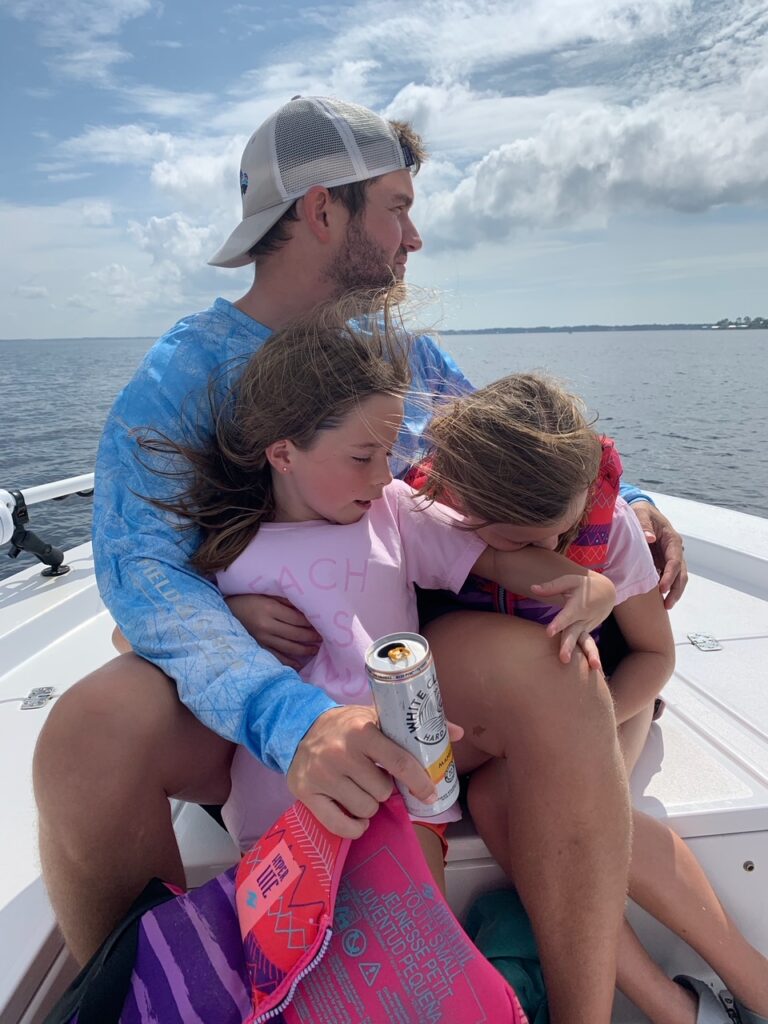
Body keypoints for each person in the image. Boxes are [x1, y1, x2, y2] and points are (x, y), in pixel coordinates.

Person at [31, 95, 681, 1024]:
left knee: (558, 666)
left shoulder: (399, 354)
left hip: (407, 656)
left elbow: (513, 448)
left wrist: (636, 502)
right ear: (319, 211)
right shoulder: (182, 375)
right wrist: (286, 718)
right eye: (396, 206)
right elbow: (142, 575)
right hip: (257, 705)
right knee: (83, 737)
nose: (413, 238)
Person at [136, 297, 615, 885]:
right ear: (283, 453)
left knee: (419, 943)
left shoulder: (393, 513)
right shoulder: (228, 544)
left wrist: (593, 585)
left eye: (388, 452)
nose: (385, 474)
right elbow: (141, 627)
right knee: (300, 963)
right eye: (363, 456)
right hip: (283, 804)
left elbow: (496, 558)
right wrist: (227, 614)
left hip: (410, 788)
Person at [417, 373, 768, 1024]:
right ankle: (680, 1009)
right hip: (499, 722)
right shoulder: (428, 521)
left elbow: (656, 656)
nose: (551, 552)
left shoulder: (609, 530)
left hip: (608, 701)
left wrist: (582, 737)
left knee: (514, 798)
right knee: (502, 794)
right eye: (522, 543)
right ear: (462, 502)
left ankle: (745, 986)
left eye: (563, 529)